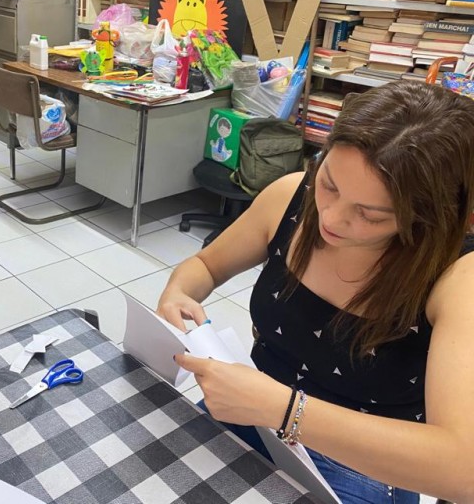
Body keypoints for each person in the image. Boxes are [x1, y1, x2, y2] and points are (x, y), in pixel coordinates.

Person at [157, 81, 474, 504]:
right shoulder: (291, 195)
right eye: (329, 184)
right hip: (251, 413)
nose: (333, 218)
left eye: (370, 214)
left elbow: (462, 472)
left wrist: (285, 410)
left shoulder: (458, 274)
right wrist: (180, 291)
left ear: (429, 217)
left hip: (364, 466)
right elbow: (205, 265)